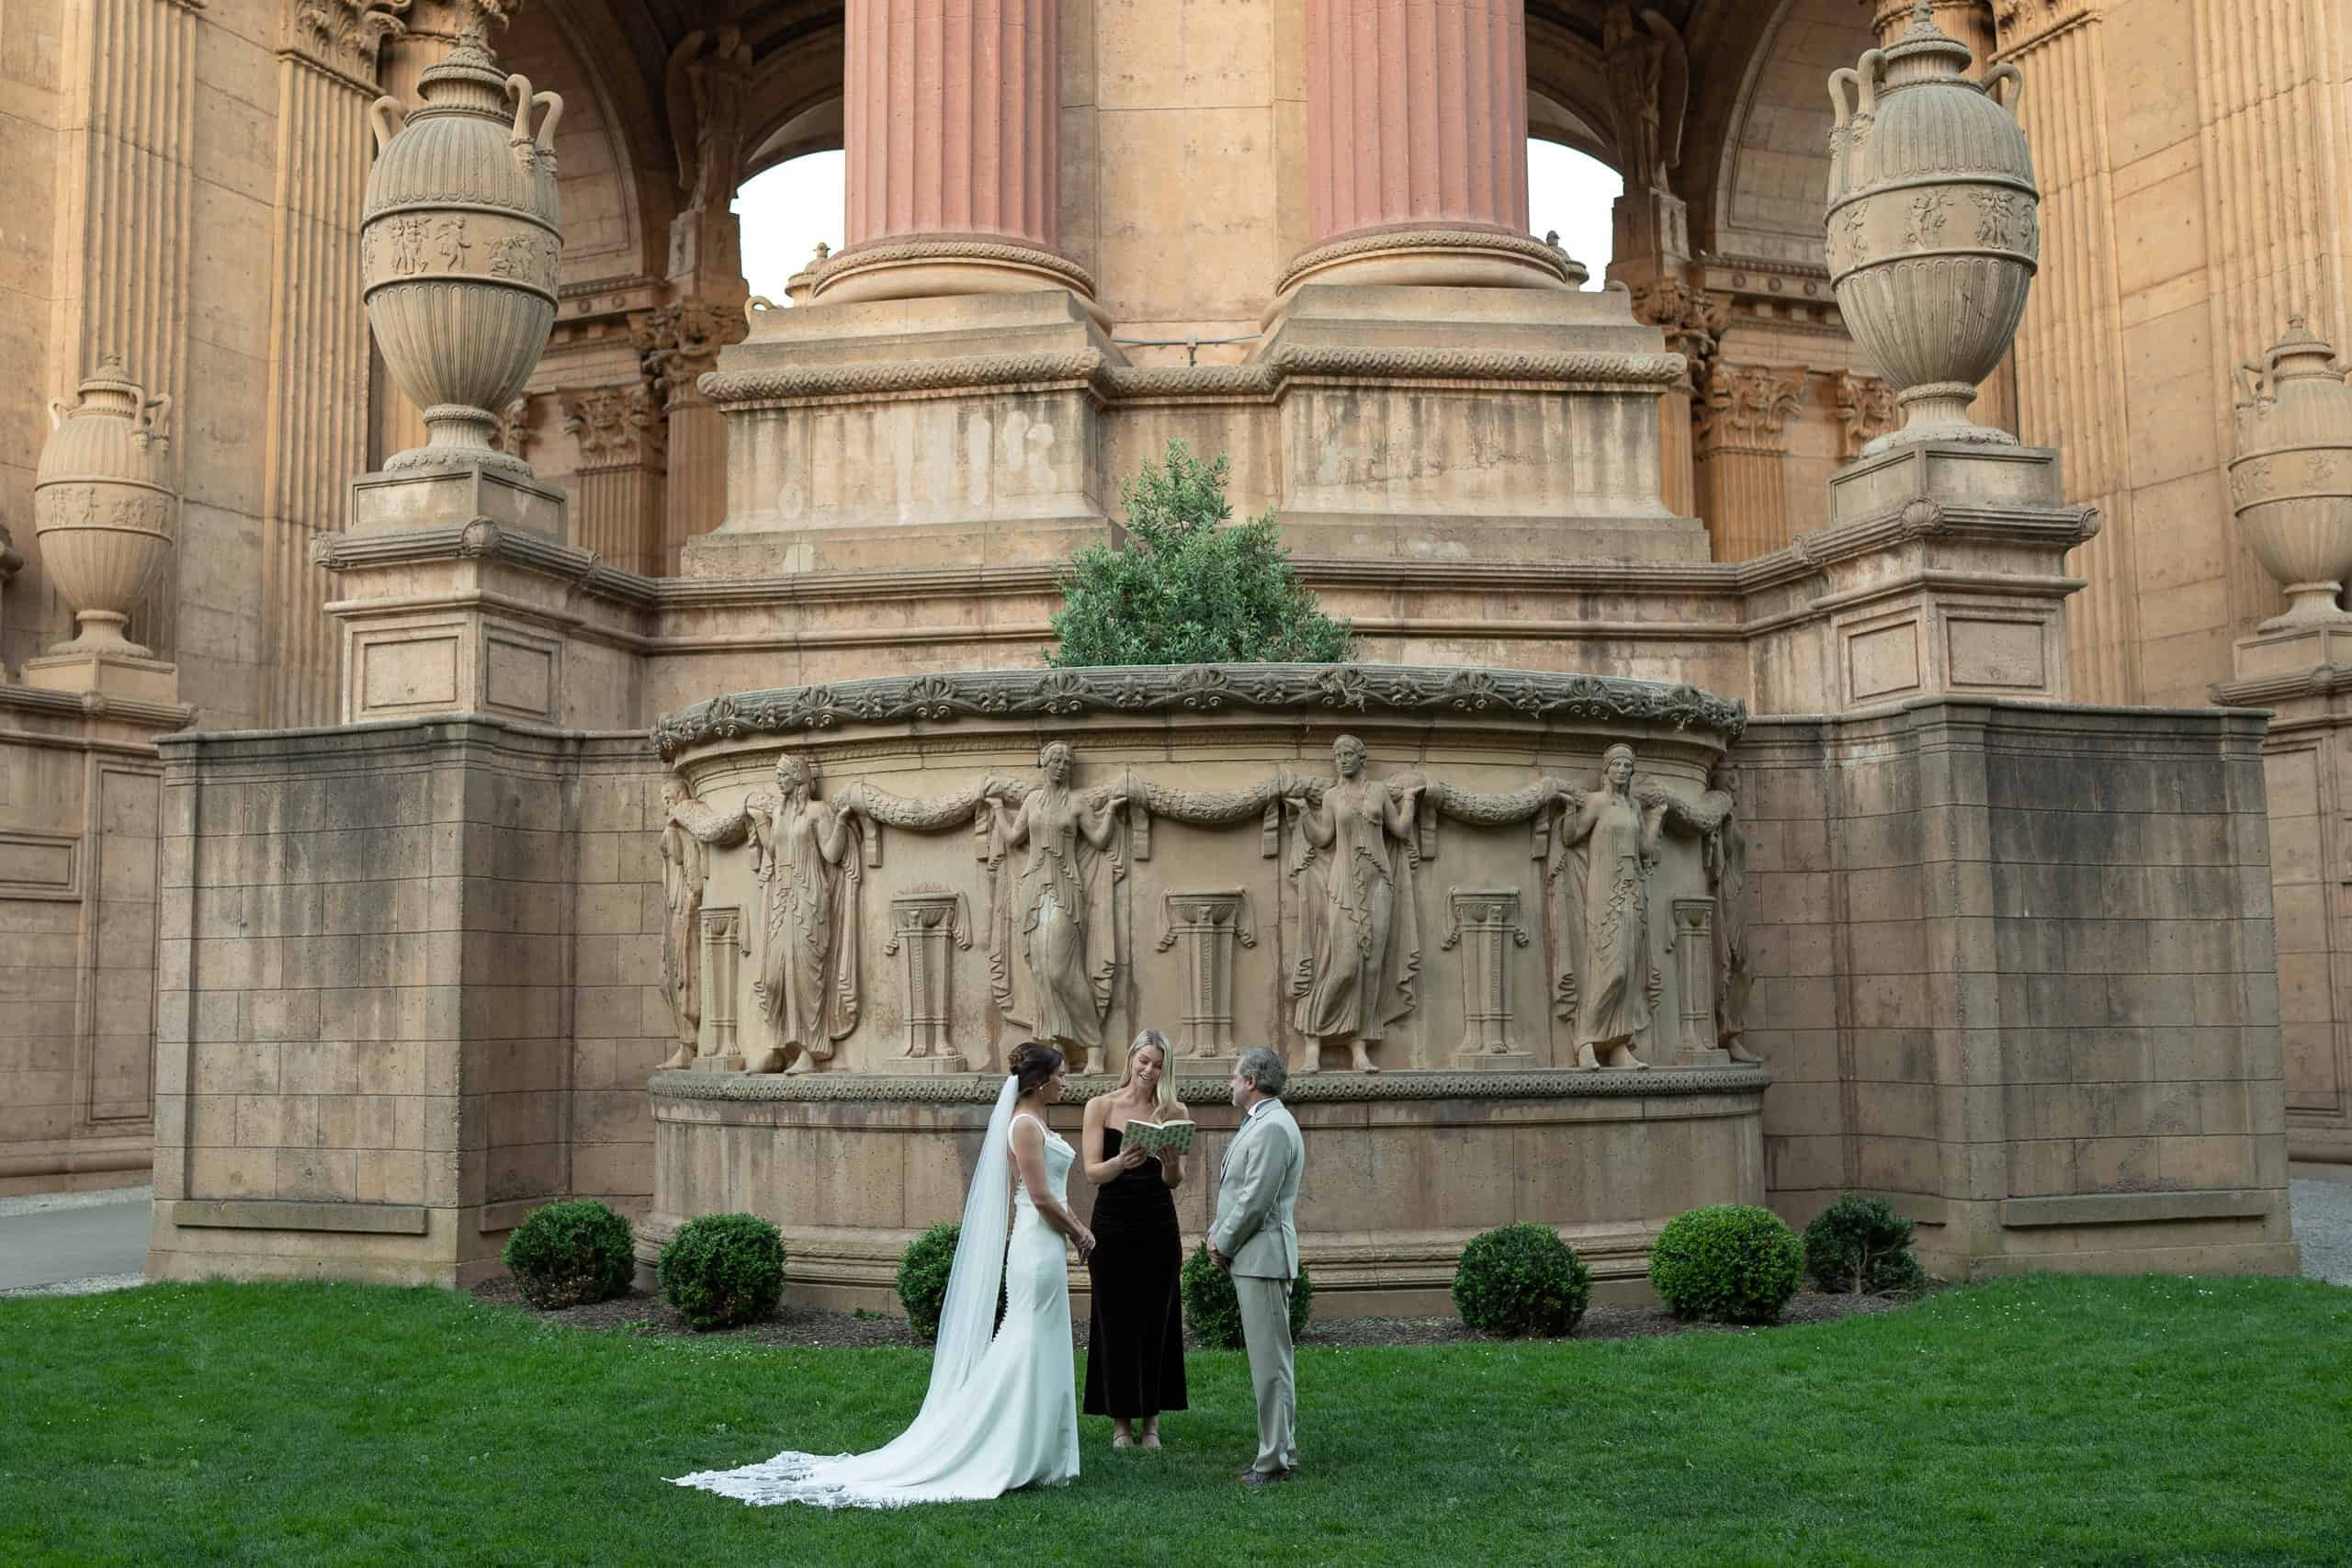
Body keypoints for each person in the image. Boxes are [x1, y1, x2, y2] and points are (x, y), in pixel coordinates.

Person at [671, 1042, 1092, 1507]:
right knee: (1026, 1340)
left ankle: (1041, 1449)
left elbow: (1051, 1192)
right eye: (1060, 1075)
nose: (1065, 1082)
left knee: (1041, 1339)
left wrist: (1072, 1233)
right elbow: (1039, 1196)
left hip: (1047, 1243)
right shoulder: (1025, 1125)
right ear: (1039, 1081)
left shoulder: (1037, 1121)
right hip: (1037, 1244)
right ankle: (1008, 1444)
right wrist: (1080, 1231)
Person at [1080, 1028, 1190, 1450]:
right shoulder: (1100, 1106)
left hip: (1158, 1225)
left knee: (1157, 1321)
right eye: (1143, 1061)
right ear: (1130, 1059)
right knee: (1115, 1321)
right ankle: (1120, 1425)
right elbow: (1092, 1173)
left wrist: (1171, 1163)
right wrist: (1122, 1161)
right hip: (1113, 1224)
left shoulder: (1173, 1110)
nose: (1148, 1070)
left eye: (1157, 1064)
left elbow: (1174, 1182)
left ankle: (1152, 1426)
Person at [1209, 1046, 1305, 1488]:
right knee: (1270, 1363)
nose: (1229, 1083)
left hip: (1263, 1259)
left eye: (1233, 1077)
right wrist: (1218, 1234)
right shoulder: (1262, 1123)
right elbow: (1240, 1191)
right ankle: (1279, 1450)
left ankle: (1273, 1462)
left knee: (1270, 1366)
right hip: (1255, 1258)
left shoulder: (1272, 1127)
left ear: (1251, 1081)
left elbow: (1256, 1200)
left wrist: (1222, 1242)